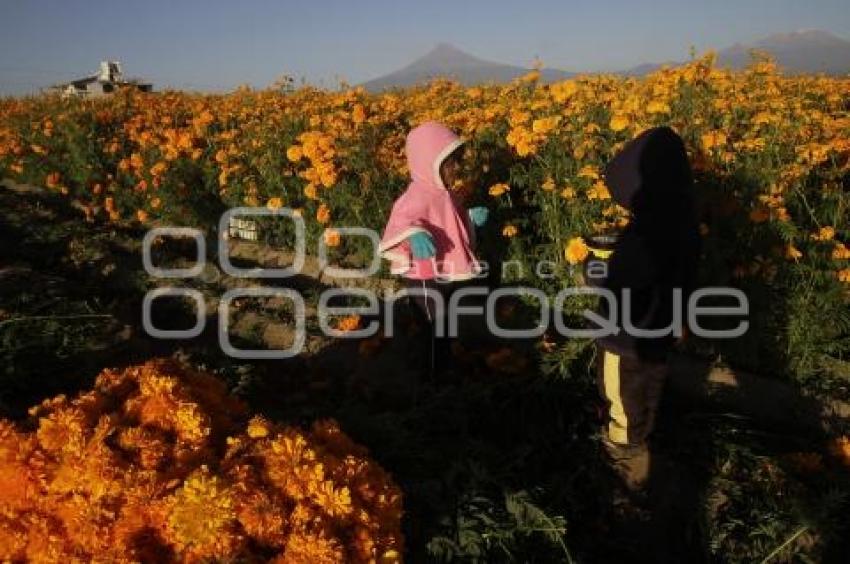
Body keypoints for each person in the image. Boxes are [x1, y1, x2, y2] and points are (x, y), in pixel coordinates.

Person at [588, 126, 701, 490]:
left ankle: (624, 457)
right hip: (660, 334)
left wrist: (592, 268)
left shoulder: (643, 238)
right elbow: (683, 278)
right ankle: (644, 436)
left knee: (621, 399)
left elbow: (617, 283)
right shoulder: (684, 223)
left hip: (625, 340)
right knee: (649, 392)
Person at [378, 121, 489, 379]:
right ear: (429, 162)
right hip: (425, 274)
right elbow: (400, 223)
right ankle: (431, 377)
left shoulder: (444, 194)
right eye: (450, 162)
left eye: (457, 161)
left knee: (445, 319)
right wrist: (414, 234)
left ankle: (442, 362)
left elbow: (450, 224)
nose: (457, 168)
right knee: (432, 323)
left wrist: (470, 219)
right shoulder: (416, 195)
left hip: (444, 271)